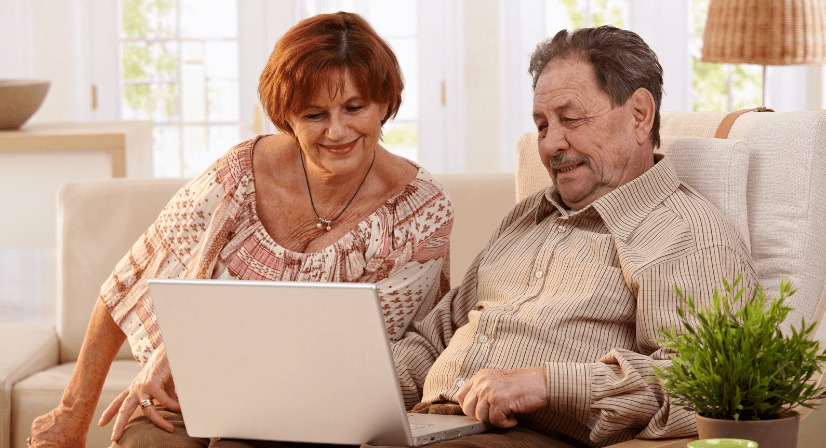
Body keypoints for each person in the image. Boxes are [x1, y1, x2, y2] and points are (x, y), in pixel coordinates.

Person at [27, 12, 453, 448]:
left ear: (384, 102)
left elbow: (352, 356)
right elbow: (129, 280)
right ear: (287, 116)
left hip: (318, 410)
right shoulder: (239, 173)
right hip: (200, 392)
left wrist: (179, 353)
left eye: (354, 107)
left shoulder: (421, 211)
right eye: (314, 114)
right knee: (144, 443)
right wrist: (69, 416)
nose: (337, 131)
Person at [381, 26, 758, 448]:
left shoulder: (687, 233)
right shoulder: (527, 217)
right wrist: (350, 388)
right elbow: (437, 337)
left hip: (525, 436)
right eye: (542, 125)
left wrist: (545, 383)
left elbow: (702, 383)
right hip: (426, 424)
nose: (551, 145)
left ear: (639, 115)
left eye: (570, 119)